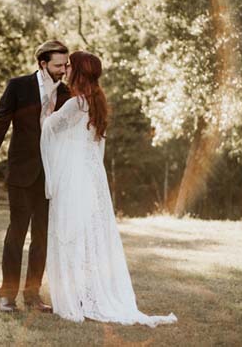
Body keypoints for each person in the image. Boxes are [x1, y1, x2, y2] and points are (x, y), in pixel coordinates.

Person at [40, 51, 178, 326]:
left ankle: (77, 297)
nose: (65, 70)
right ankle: (86, 292)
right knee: (88, 233)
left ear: (78, 72)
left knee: (71, 233)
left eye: (70, 66)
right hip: (91, 176)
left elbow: (48, 128)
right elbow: (95, 145)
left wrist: (47, 104)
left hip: (73, 176)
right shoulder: (97, 101)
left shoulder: (75, 104)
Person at [0, 40, 71, 313]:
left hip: (51, 176)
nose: (64, 70)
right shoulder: (18, 86)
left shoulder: (66, 92)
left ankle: (32, 295)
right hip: (21, 173)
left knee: (42, 238)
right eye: (58, 65)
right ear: (43, 64)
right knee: (16, 234)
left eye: (65, 64)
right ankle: (7, 295)